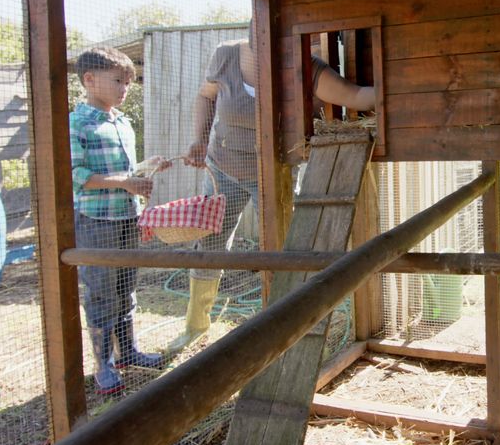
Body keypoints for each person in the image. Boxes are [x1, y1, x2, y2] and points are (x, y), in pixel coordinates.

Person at [166, 31, 375, 353]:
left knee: (282, 246)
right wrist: (199, 137)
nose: (260, 49)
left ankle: (288, 326)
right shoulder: (226, 55)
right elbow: (206, 95)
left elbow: (359, 97)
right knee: (209, 242)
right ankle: (195, 327)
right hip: (222, 168)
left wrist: (413, 87)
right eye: (255, 42)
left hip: (271, 173)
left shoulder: (304, 66)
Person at [70, 46, 170, 394]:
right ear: (89, 79)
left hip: (127, 216)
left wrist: (146, 168)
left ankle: (127, 352)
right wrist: (126, 182)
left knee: (126, 289)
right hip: (96, 220)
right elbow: (76, 174)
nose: (125, 89)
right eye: (118, 81)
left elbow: (124, 173)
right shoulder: (77, 123)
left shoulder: (121, 121)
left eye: (128, 83)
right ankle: (103, 366)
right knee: (101, 293)